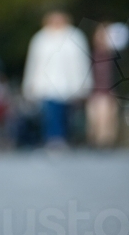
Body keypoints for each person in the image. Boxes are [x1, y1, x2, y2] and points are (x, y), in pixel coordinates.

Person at [21, 10, 92, 148]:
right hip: (46, 84)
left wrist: (85, 83)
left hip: (69, 85)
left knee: (67, 114)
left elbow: (82, 63)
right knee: (51, 113)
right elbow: (33, 63)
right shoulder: (40, 39)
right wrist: (29, 84)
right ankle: (54, 138)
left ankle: (65, 137)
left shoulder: (75, 37)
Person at [86, 22, 120, 147]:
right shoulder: (91, 54)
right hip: (94, 91)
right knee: (94, 120)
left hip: (109, 91)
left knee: (106, 118)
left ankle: (105, 142)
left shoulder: (116, 55)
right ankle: (97, 141)